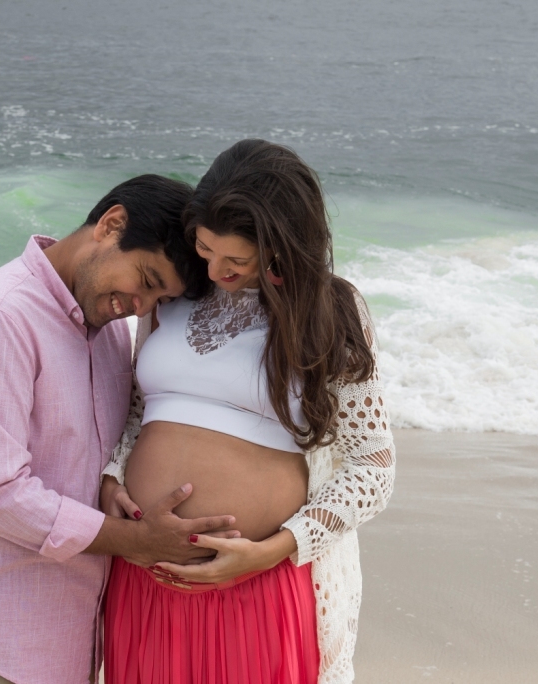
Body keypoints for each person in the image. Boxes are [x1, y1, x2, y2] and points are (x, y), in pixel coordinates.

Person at [0, 175, 240, 684]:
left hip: (70, 638)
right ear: (111, 225)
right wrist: (137, 540)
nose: (141, 308)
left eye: (160, 300)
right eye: (147, 281)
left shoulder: (105, 333)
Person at [100, 141, 396, 684]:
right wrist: (112, 478)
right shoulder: (174, 294)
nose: (215, 269)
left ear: (282, 244)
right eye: (206, 249)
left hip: (252, 584)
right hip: (144, 573)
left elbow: (372, 468)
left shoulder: (329, 312)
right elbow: (139, 415)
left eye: (236, 260)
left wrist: (273, 552)